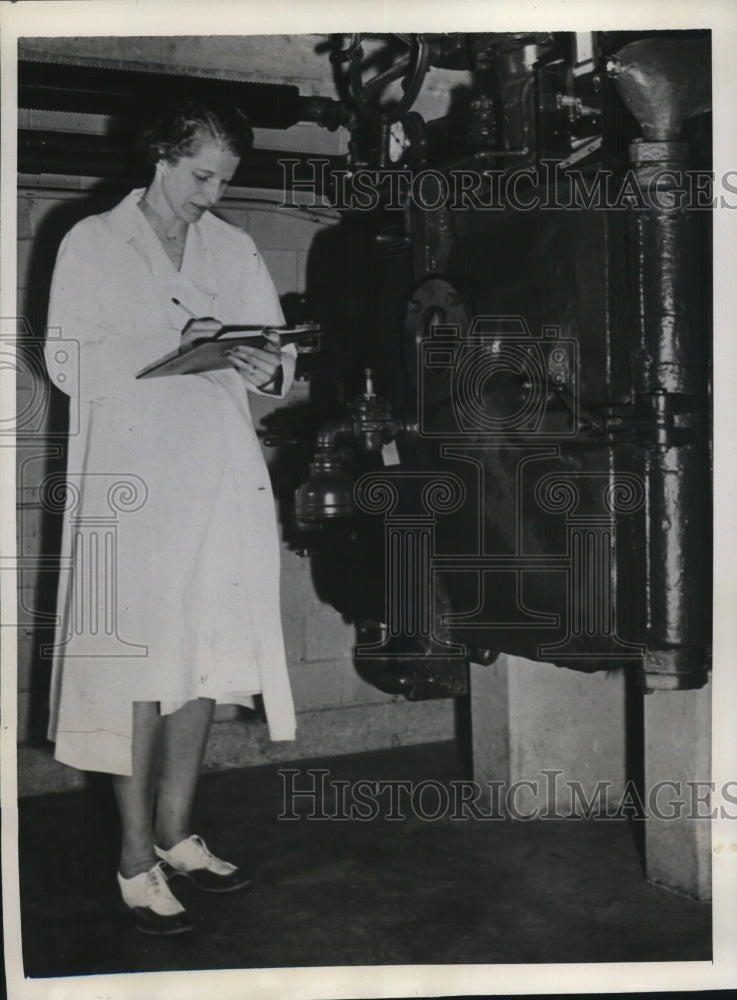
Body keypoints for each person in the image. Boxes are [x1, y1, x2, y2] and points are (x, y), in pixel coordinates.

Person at [44, 101, 297, 935]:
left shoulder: (232, 247)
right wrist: (170, 340)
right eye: (200, 176)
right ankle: (133, 860)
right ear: (162, 157)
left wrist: (264, 363)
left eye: (224, 179)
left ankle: (177, 833)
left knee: (203, 657)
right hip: (133, 481)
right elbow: (66, 359)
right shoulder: (92, 241)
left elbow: (274, 359)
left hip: (214, 475)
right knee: (138, 672)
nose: (212, 193)